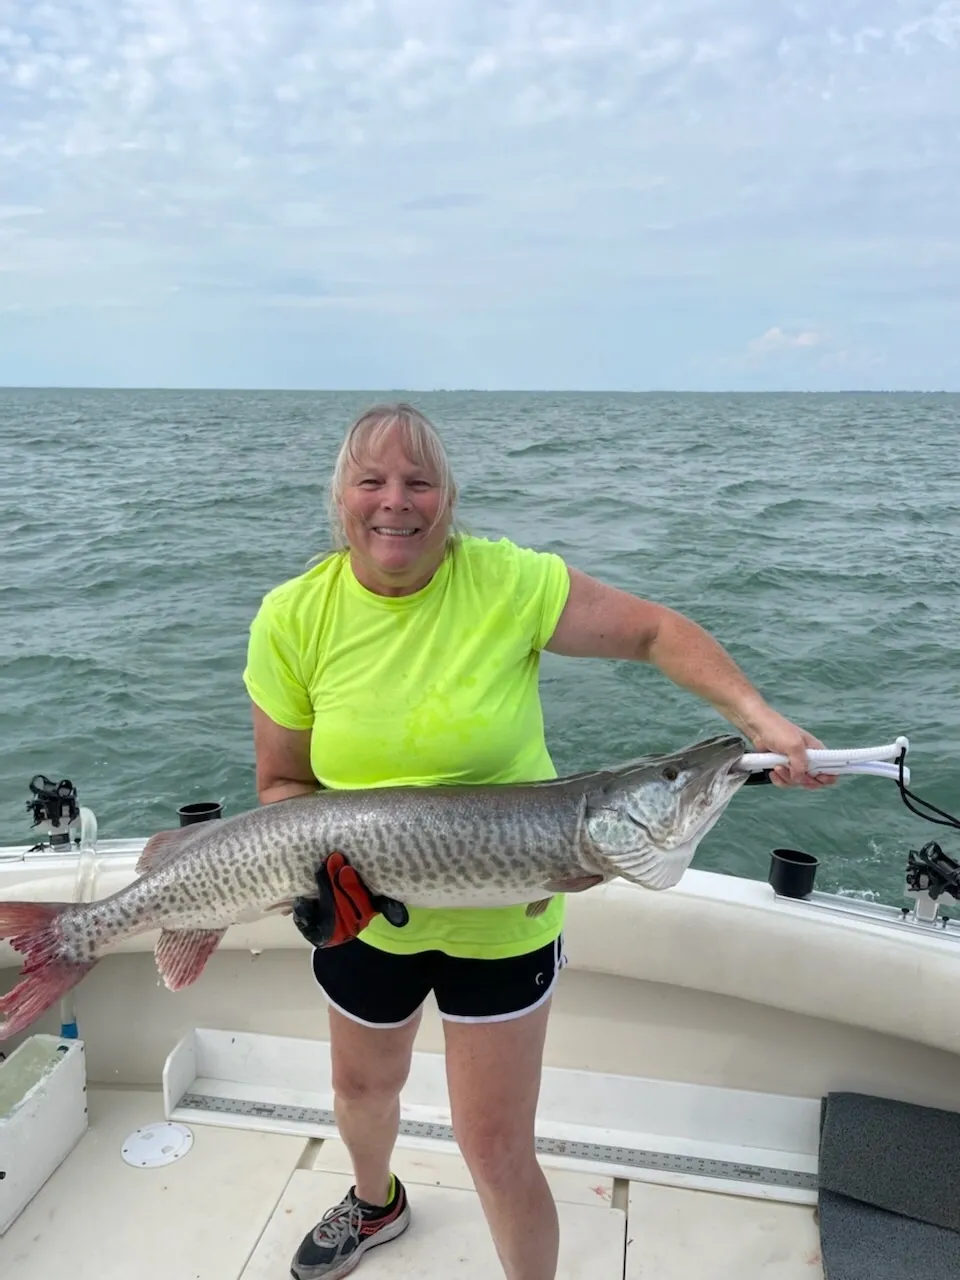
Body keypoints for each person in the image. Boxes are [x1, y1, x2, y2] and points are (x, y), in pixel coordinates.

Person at [242, 402, 834, 1280]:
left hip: (503, 930)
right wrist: (326, 891)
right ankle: (376, 1203)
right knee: (362, 1094)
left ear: (448, 500)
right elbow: (281, 788)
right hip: (363, 916)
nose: (394, 502)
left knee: (495, 1149)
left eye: (419, 481)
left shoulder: (505, 583)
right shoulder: (294, 616)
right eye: (372, 481)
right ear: (341, 499)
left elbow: (653, 631)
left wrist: (758, 721)